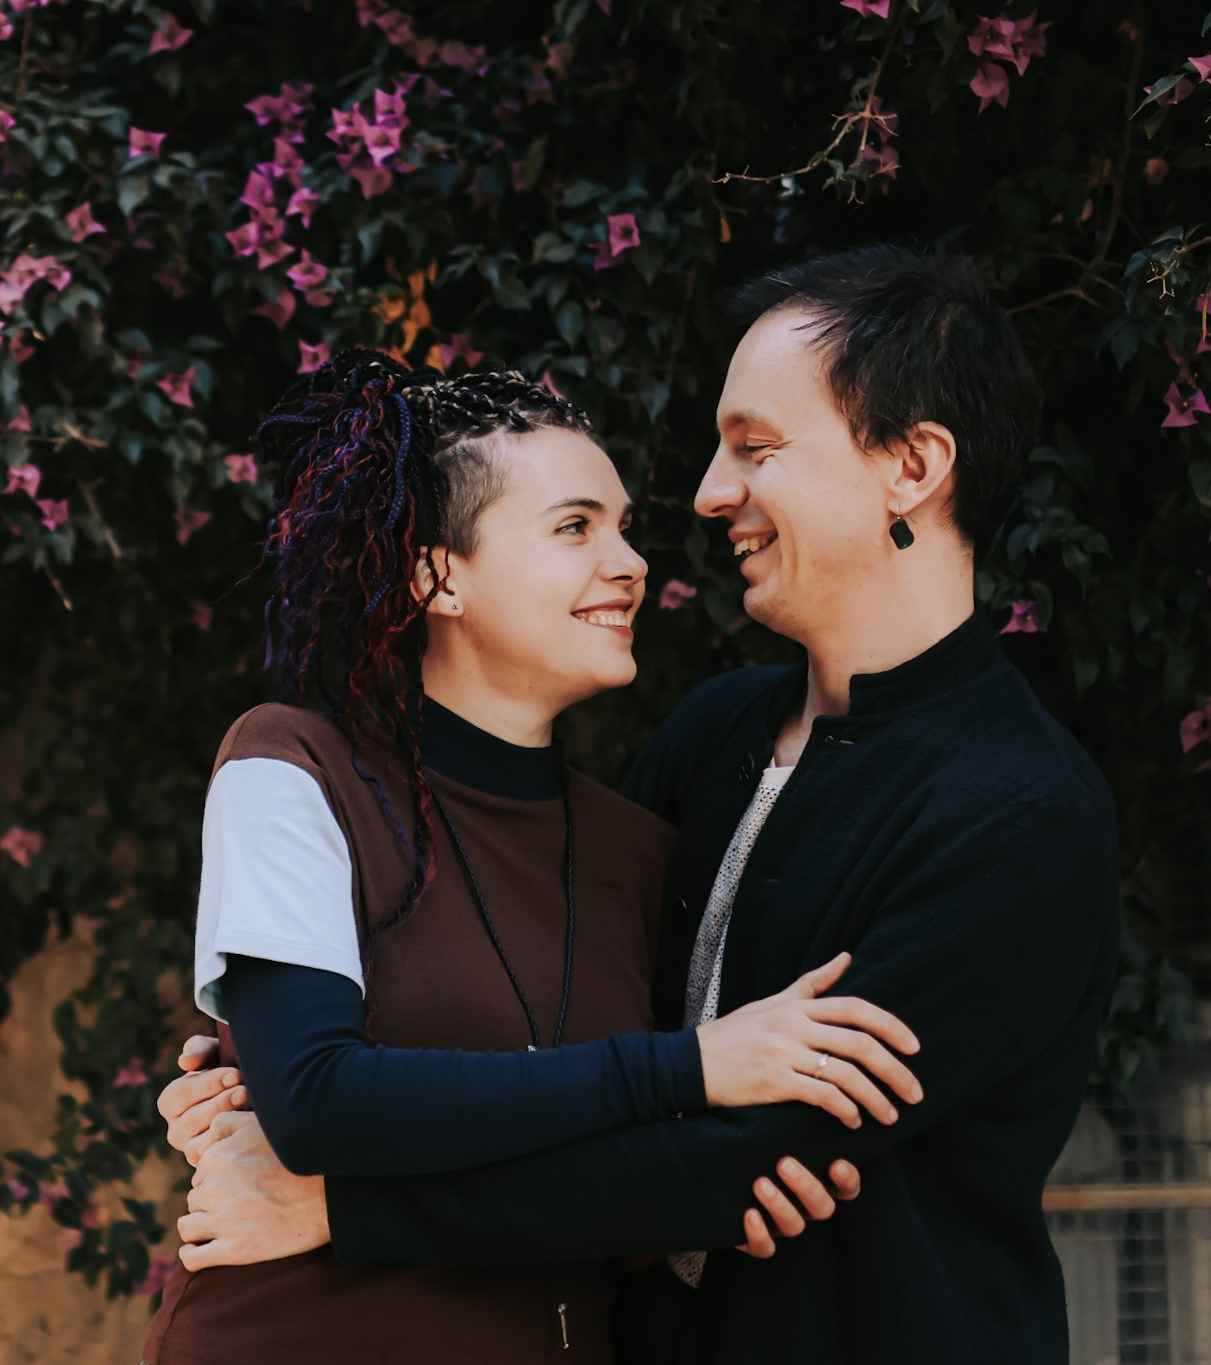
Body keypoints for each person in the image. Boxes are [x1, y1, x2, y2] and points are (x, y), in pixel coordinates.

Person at [160, 245, 1121, 1365]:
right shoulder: (714, 736)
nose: (709, 493)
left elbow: (743, 1160)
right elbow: (567, 1032)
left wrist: (339, 1203)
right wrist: (260, 1073)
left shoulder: (1022, 812)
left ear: (911, 465)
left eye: (755, 447)